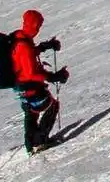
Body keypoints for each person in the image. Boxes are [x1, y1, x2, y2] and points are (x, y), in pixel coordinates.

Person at [9, 10, 67, 153]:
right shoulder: (24, 44)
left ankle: (30, 144)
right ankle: (40, 142)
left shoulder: (19, 37)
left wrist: (43, 47)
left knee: (31, 113)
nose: (37, 29)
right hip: (30, 86)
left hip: (21, 86)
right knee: (51, 106)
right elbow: (30, 73)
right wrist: (52, 77)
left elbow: (24, 58)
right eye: (37, 25)